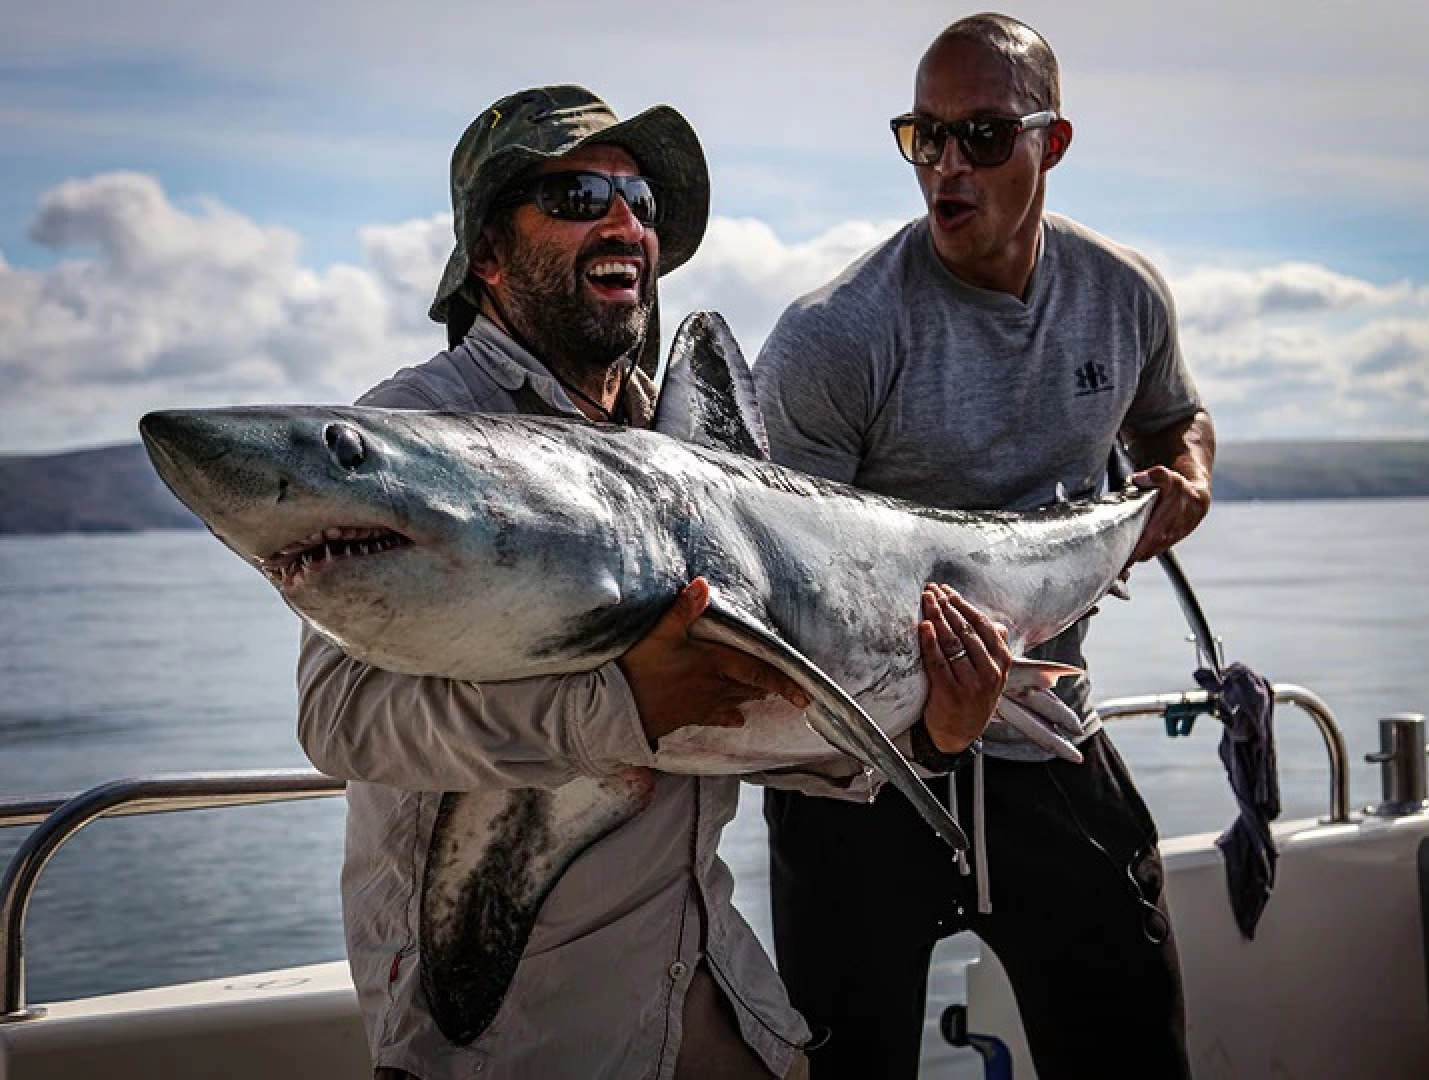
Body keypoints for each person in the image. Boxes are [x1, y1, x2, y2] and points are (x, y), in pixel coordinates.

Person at [297, 84, 1009, 1080]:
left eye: (640, 199)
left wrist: (923, 732)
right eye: (581, 194)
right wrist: (617, 706)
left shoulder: (686, 443)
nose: (627, 219)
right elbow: (341, 718)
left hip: (705, 976)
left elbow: (744, 708)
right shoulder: (416, 431)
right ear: (488, 256)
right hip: (520, 1025)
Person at [755, 15, 1214, 1080]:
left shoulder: (1123, 294)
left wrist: (1183, 477)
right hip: (860, 768)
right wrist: (929, 716)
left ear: (1051, 145)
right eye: (926, 137)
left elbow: (1172, 418)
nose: (948, 166)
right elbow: (789, 604)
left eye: (984, 136)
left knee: (1134, 1045)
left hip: (1048, 728)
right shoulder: (832, 338)